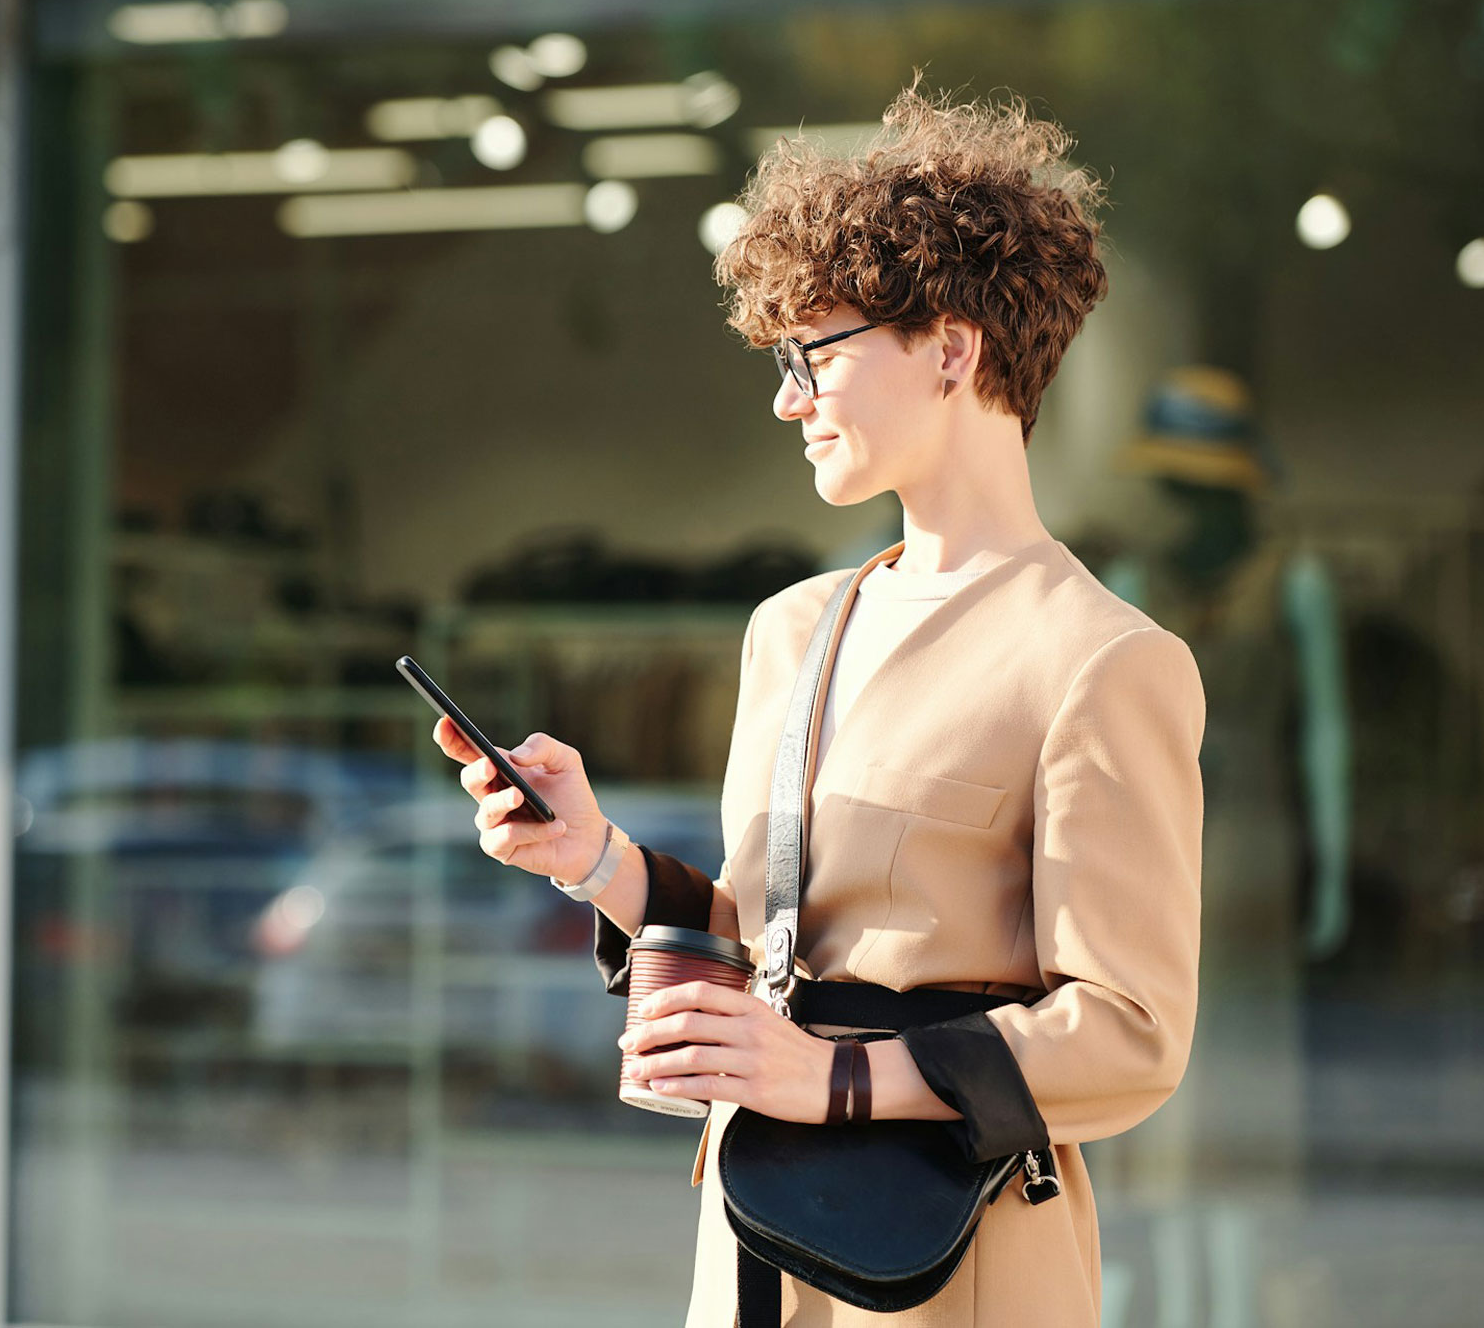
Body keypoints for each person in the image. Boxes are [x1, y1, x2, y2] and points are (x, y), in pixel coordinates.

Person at [432, 76, 1206, 1327]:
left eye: (815, 354)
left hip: (950, 1260)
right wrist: (599, 860)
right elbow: (780, 936)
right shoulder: (791, 628)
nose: (787, 398)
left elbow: (1127, 1034)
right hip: (751, 1235)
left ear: (951, 349)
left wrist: (838, 1080)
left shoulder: (1102, 661)